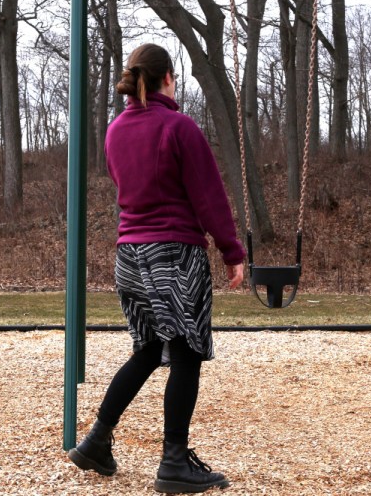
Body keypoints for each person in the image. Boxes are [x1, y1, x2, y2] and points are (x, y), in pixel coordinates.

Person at [67, 43, 245, 494]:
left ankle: (95, 441)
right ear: (168, 77)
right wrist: (231, 251)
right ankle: (174, 462)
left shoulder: (114, 131)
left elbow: (127, 185)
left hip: (128, 254)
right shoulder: (178, 127)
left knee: (148, 350)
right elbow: (208, 196)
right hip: (174, 254)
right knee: (185, 353)